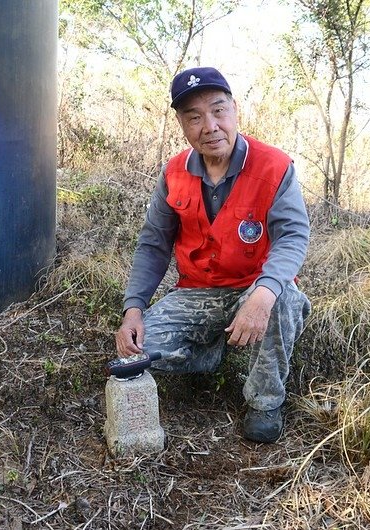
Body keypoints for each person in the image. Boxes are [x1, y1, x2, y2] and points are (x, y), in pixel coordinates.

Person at [114, 66, 311, 443]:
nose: (210, 125)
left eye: (218, 110)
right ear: (182, 125)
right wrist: (133, 309)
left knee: (282, 300)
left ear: (234, 110)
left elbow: (293, 235)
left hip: (255, 287)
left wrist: (263, 294)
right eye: (194, 117)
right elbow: (153, 244)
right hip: (197, 291)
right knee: (138, 352)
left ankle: (265, 402)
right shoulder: (173, 172)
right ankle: (211, 354)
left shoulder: (273, 165)